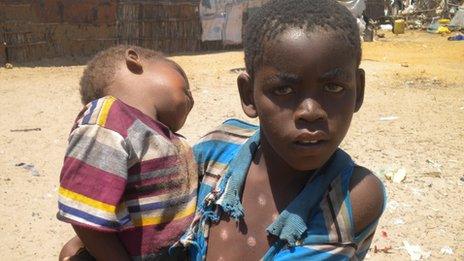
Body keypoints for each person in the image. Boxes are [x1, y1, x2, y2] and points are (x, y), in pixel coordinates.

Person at [179, 0, 386, 260]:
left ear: (358, 91)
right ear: (248, 95)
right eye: (284, 90)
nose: (311, 112)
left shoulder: (351, 197)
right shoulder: (215, 152)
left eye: (333, 87)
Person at [57, 45, 197, 260]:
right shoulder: (108, 117)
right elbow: (86, 216)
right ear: (134, 60)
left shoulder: (163, 138)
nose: (192, 101)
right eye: (186, 87)